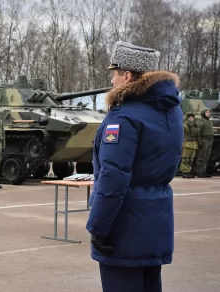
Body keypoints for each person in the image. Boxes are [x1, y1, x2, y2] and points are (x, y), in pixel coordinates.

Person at [85, 41, 183, 292]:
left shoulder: (123, 117)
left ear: (127, 76)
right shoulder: (170, 110)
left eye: (115, 74)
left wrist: (98, 227)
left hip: (123, 227)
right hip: (155, 222)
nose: (113, 80)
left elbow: (113, 177)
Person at [194, 108, 213, 178]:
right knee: (201, 157)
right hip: (204, 139)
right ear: (203, 113)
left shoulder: (210, 121)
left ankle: (203, 171)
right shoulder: (201, 121)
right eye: (207, 112)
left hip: (210, 139)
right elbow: (197, 131)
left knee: (206, 157)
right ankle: (199, 172)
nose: (208, 113)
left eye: (209, 112)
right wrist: (199, 141)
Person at [180, 112, 199, 178]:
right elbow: (185, 130)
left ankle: (188, 171)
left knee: (191, 159)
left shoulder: (195, 125)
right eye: (189, 117)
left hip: (193, 144)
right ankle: (184, 172)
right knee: (185, 159)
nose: (191, 118)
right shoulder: (185, 125)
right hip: (187, 144)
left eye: (192, 117)